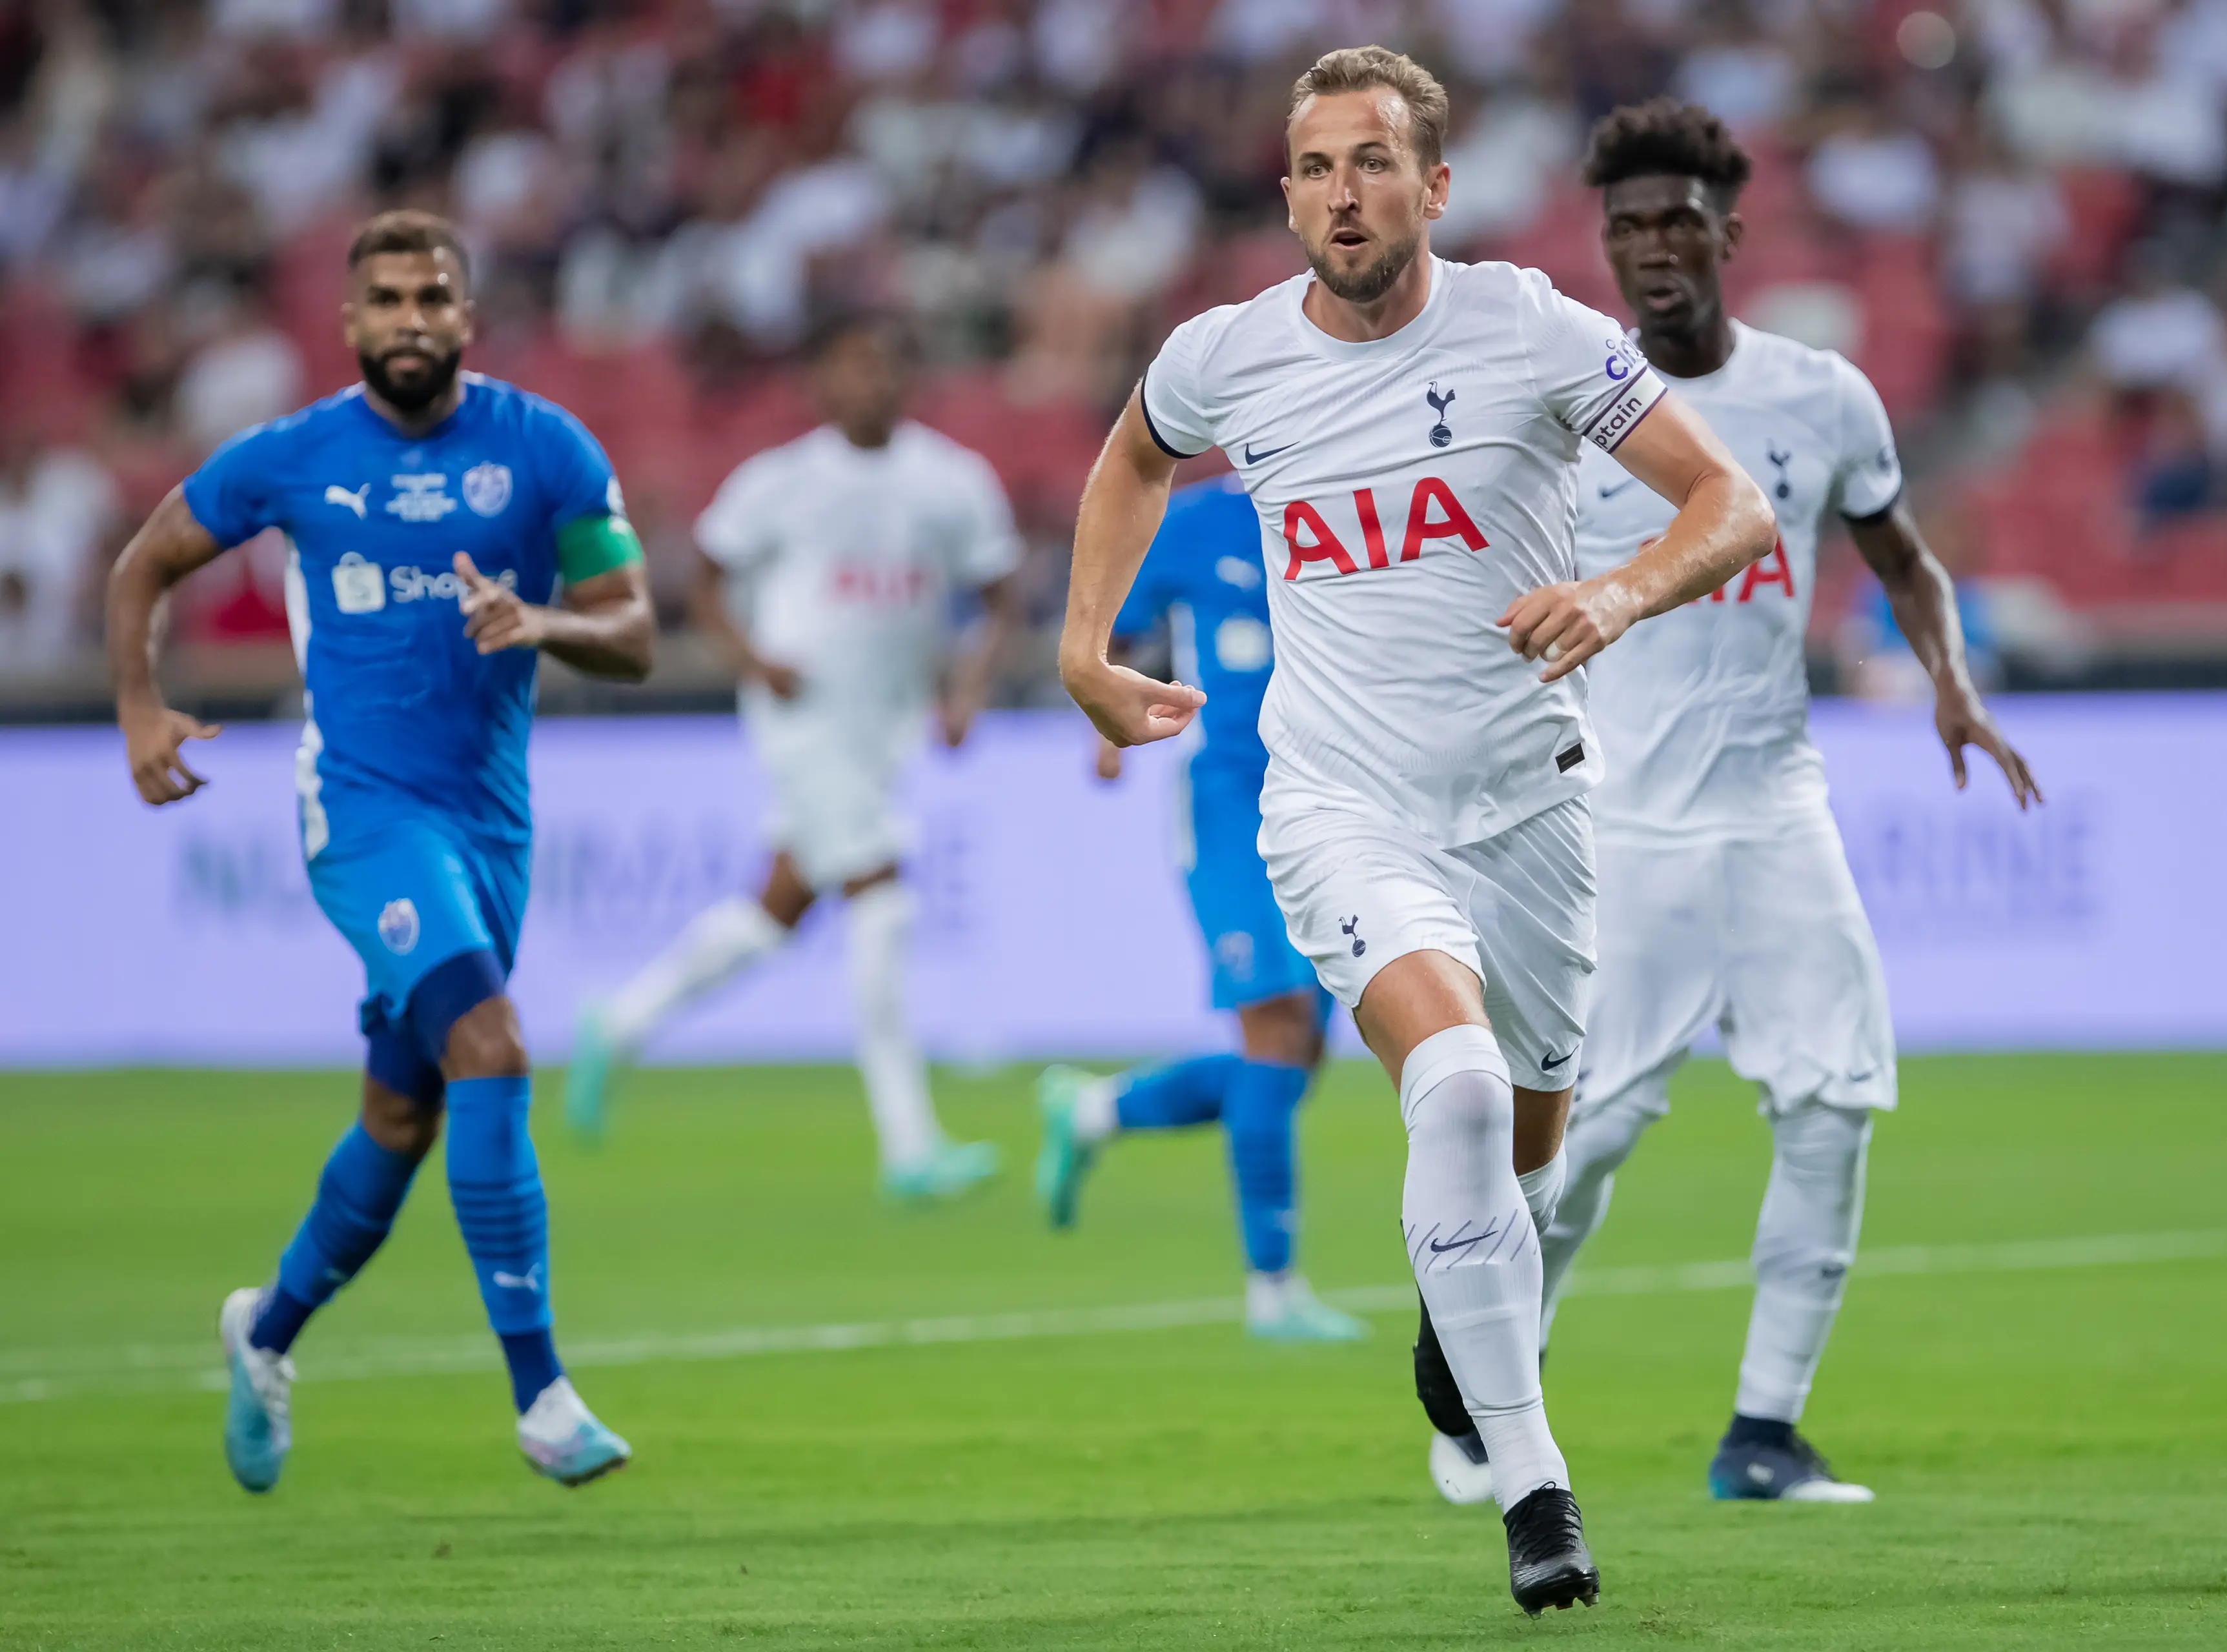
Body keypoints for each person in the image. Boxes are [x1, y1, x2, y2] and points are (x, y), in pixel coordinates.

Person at [1057, 47, 1775, 1616]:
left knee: (1527, 1160)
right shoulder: (1229, 354)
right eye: (1316, 168)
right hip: (1340, 805)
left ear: (1433, 187)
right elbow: (1131, 451)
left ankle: (1461, 1341)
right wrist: (1083, 644)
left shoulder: (1528, 327)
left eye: (1374, 163)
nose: (1342, 193)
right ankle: (1539, 1492)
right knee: (1447, 1089)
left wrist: (1617, 586)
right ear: (1289, 192)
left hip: (1530, 809)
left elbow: (1731, 504)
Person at [1427, 99, 2040, 1507]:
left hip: (1776, 809)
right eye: (1629, 225)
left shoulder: (1820, 394)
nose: (1653, 247)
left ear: (1727, 235)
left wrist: (1948, 677)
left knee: (1832, 1103)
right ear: (1605, 240)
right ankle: (1486, 1400)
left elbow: (1906, 560)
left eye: (1678, 223)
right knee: (1574, 1151)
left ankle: (1763, 1431)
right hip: (1615, 828)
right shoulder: (1565, 401)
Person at [105, 210, 656, 1494]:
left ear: (468, 316)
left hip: (488, 823)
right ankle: (543, 1395)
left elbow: (633, 630)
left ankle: (268, 1329)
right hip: (358, 809)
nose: (411, 318)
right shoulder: (295, 458)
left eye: (433, 296)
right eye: (388, 298)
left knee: (403, 1116)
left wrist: (543, 621)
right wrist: (140, 706)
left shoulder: (546, 450)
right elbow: (145, 564)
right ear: (349, 322)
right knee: (494, 1045)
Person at [566, 312, 1019, 1203]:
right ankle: (910, 1146)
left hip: (882, 726)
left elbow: (999, 596)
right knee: (881, 900)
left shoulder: (952, 483)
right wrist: (753, 658)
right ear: (824, 384)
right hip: (802, 716)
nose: (869, 384)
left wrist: (964, 688)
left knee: (778, 907)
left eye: (885, 366)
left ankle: (617, 1024)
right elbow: (700, 580)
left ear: (906, 379)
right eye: (852, 367)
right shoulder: (780, 482)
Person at [1035, 473, 1367, 1344]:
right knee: (1276, 1026)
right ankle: (1275, 1293)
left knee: (1295, 1057)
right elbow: (1118, 627)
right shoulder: (1191, 524)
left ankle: (1094, 1113)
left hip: (1338, 802)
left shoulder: (1346, 496)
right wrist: (1101, 724)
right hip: (1228, 803)